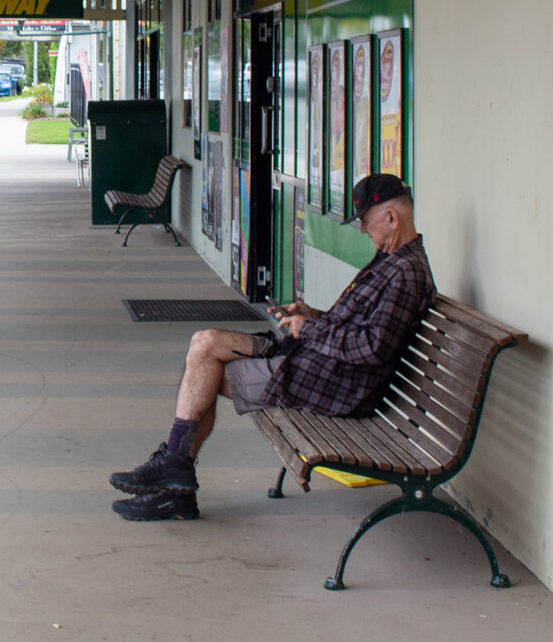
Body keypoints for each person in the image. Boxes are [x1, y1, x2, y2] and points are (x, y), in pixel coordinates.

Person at [109, 173, 436, 522]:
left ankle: (174, 479)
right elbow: (363, 330)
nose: (363, 230)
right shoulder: (393, 262)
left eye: (366, 222)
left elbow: (371, 347)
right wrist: (314, 315)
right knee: (203, 342)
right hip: (316, 362)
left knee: (205, 364)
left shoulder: (405, 274)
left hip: (331, 382)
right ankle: (174, 475)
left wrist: (309, 329)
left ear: (391, 218)